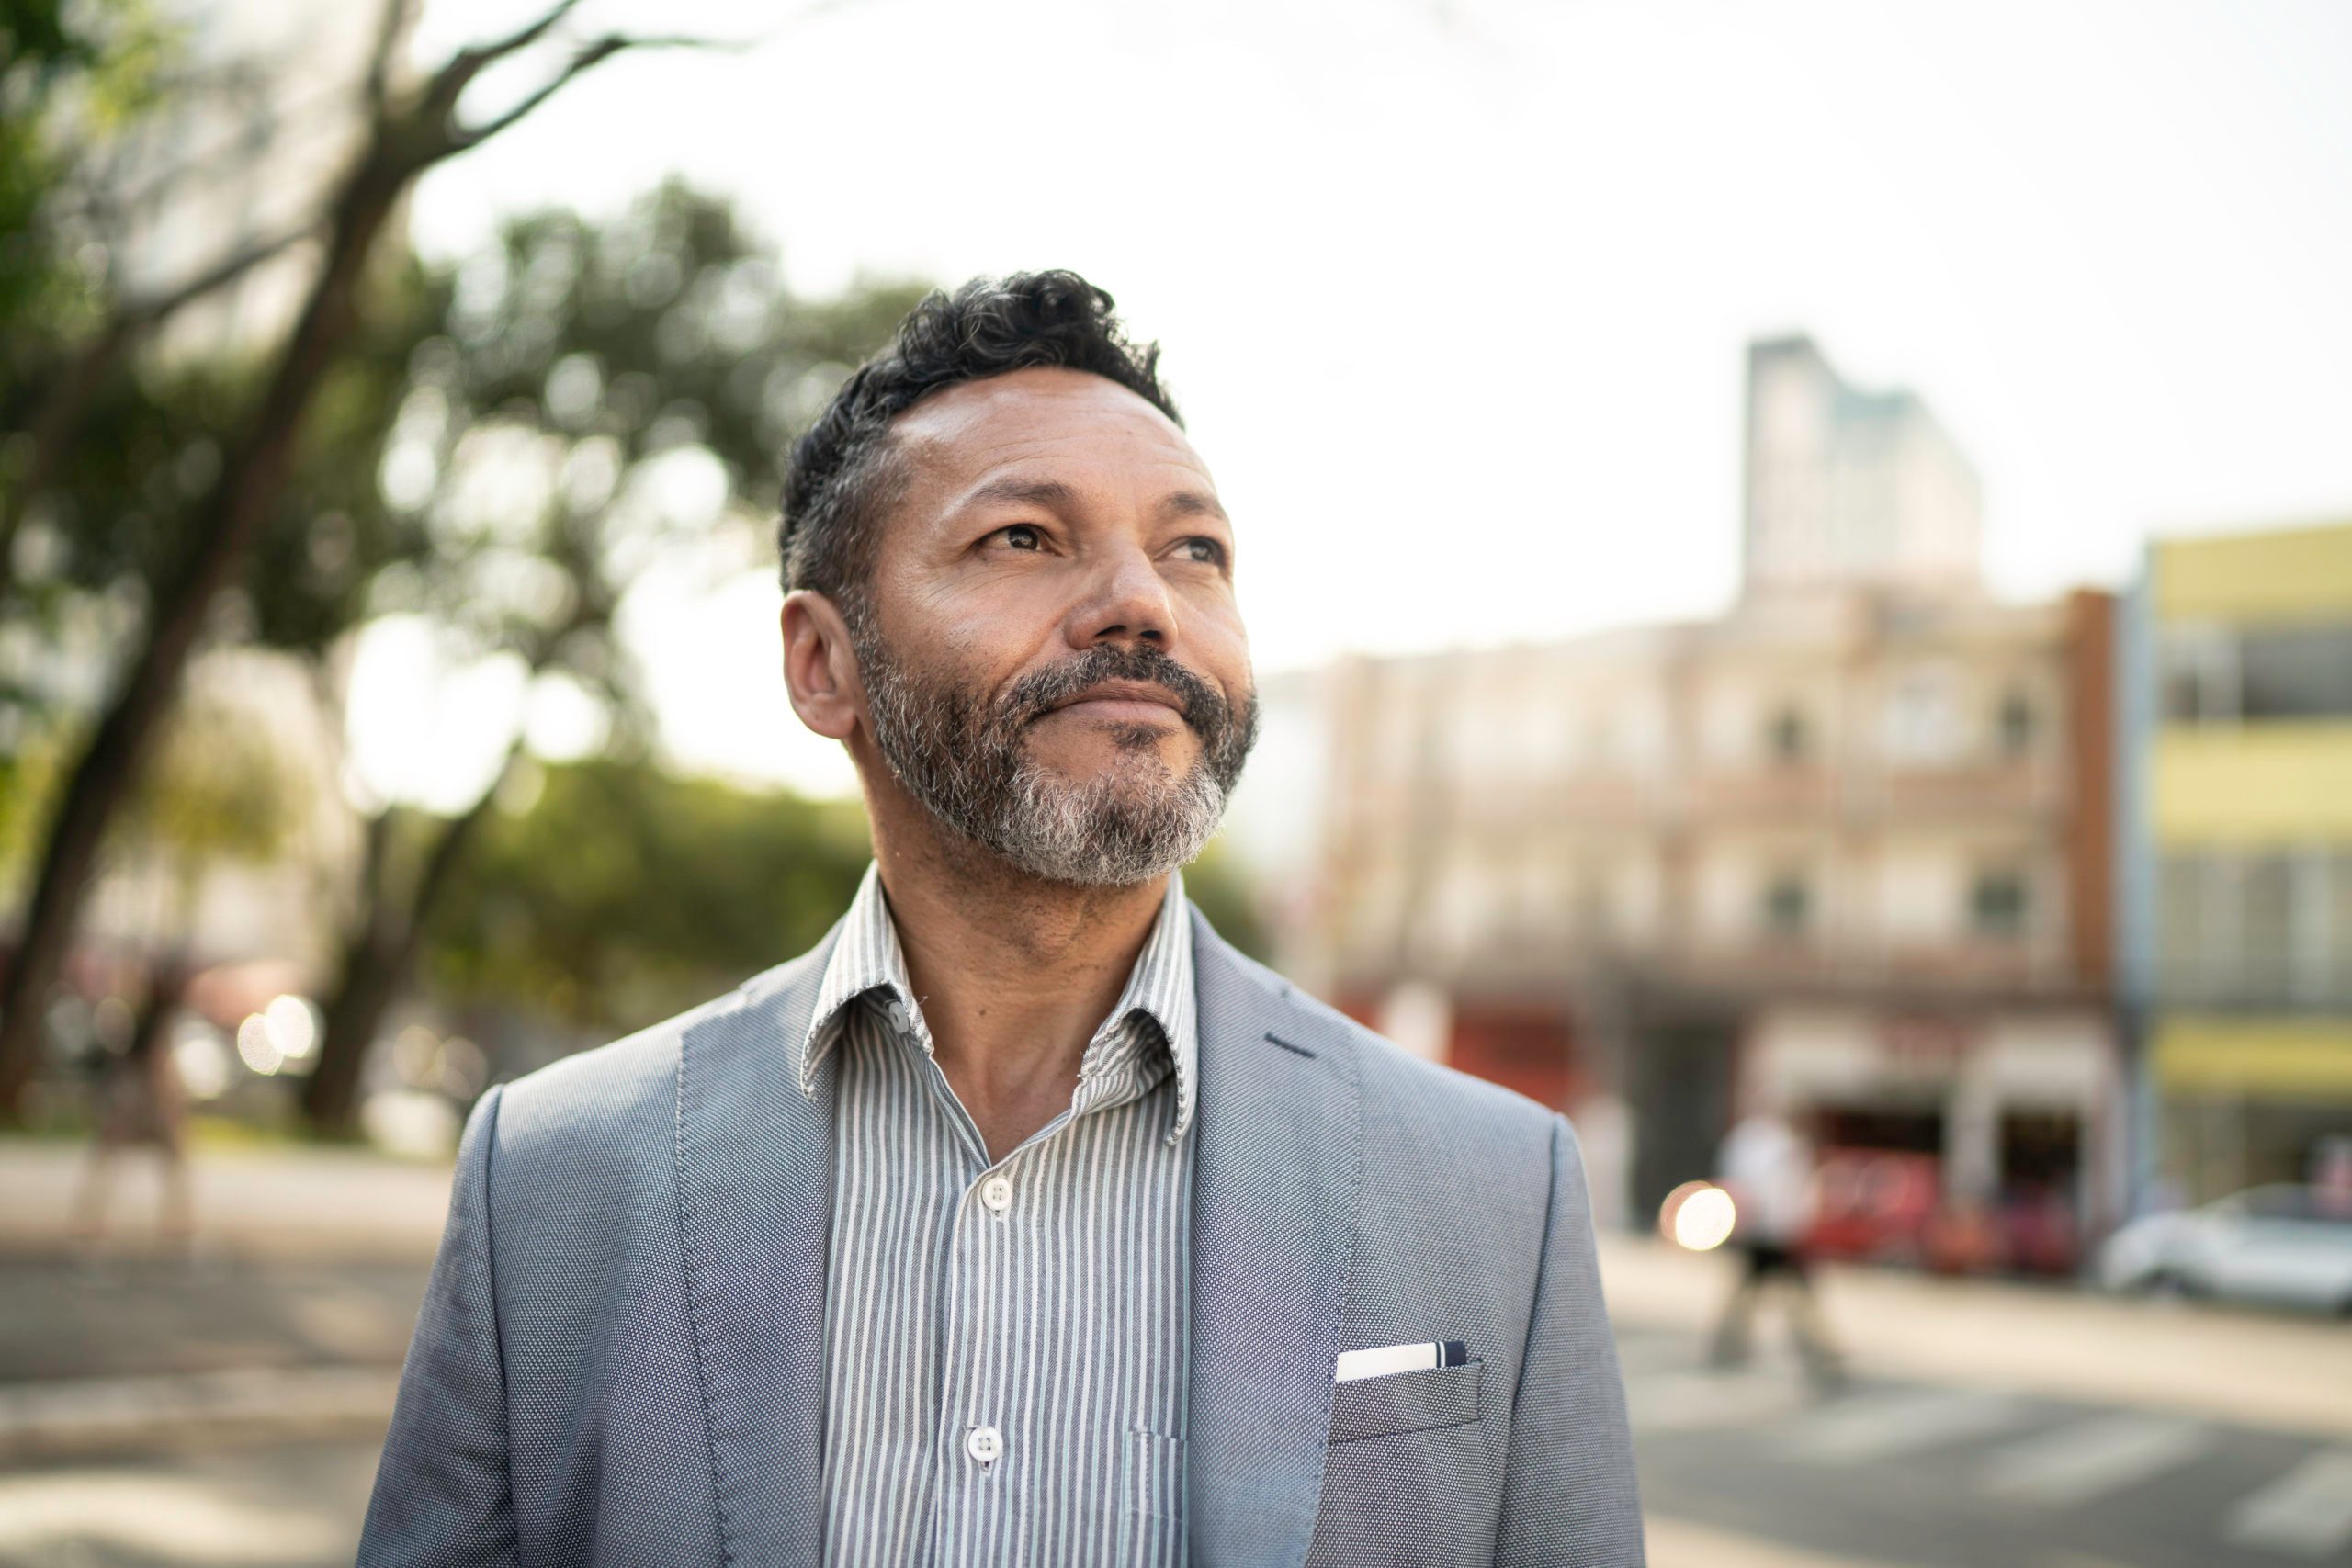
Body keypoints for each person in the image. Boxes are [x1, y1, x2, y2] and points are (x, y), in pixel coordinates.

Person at [358, 272, 1644, 1567]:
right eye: (1025, 536)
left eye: (1195, 548)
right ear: (823, 662)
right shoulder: (552, 1180)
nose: (1145, 599)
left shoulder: (1499, 1194)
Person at [1707, 1097, 1845, 1392]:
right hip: (1767, 1235)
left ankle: (1818, 1357)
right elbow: (1750, 1188)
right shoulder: (1761, 1142)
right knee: (1789, 1301)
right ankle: (1818, 1358)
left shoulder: (1784, 1145)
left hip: (1778, 1236)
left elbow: (1795, 1193)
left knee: (1786, 1300)